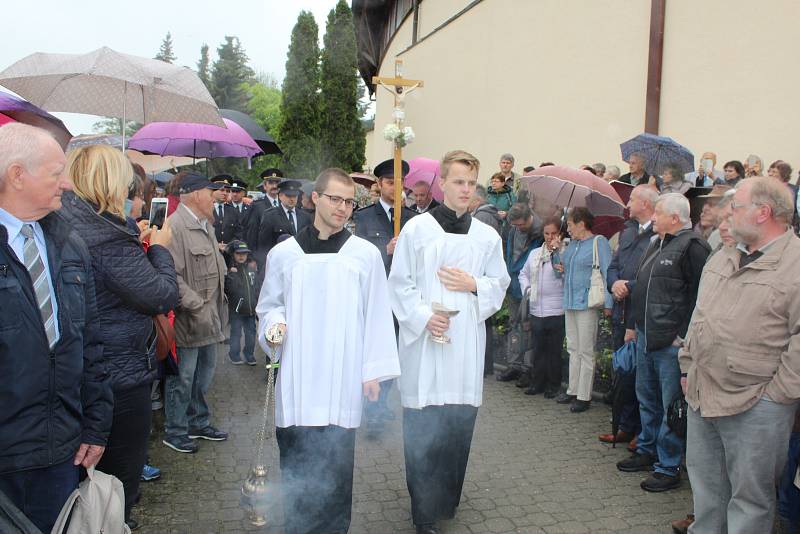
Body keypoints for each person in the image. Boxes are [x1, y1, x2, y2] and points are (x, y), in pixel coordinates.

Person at [256, 168, 401, 534]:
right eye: (335, 198)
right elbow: (269, 305)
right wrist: (273, 326)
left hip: (342, 381)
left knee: (336, 476)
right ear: (315, 199)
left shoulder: (363, 255)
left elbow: (378, 315)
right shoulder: (284, 254)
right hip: (297, 379)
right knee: (296, 469)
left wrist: (373, 373)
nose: (343, 207)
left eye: (350, 201)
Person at [388, 150, 509, 534]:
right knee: (424, 428)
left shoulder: (487, 236)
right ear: (442, 182)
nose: (465, 189)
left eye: (471, 183)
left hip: (465, 347)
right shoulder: (418, 230)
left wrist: (474, 284)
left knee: (457, 427)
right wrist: (424, 317)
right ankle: (423, 512)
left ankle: (446, 501)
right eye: (459, 181)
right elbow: (400, 283)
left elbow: (500, 283)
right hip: (425, 344)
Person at [0, 124, 113, 533]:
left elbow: (92, 344)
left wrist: (97, 425)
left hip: (62, 454)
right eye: (55, 173)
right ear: (17, 175)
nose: (67, 183)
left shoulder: (69, 244)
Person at [59, 144, 178, 530]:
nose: (134, 193)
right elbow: (160, 294)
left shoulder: (74, 223)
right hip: (119, 377)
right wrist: (159, 250)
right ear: (111, 183)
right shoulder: (106, 238)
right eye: (129, 185)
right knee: (118, 487)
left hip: (95, 371)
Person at [680, 178, 800, 532]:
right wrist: (688, 367)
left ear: (763, 213)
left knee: (750, 502)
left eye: (736, 207)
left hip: (756, 405)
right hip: (702, 395)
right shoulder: (723, 256)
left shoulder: (794, 265)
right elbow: (698, 316)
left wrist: (777, 397)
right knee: (706, 495)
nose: (726, 215)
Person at [617, 193, 710, 492]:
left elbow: (699, 294)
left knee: (670, 406)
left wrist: (681, 335)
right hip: (646, 335)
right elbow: (644, 286)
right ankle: (647, 449)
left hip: (670, 343)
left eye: (658, 212)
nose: (653, 217)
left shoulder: (692, 246)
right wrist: (633, 326)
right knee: (647, 398)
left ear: (675, 217)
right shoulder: (658, 242)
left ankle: (669, 466)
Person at [163, 173, 229, 454]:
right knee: (183, 378)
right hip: (190, 319)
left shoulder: (206, 225)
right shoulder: (175, 227)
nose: (215, 196)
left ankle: (198, 422)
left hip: (211, 317)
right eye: (209, 191)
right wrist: (196, 305)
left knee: (205, 376)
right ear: (192, 194)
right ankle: (175, 430)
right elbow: (172, 277)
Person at [353, 158, 417, 435]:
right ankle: (374, 410)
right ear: (379, 185)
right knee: (378, 351)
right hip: (376, 296)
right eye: (390, 182)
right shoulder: (363, 217)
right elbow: (357, 257)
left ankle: (384, 401)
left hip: (405, 297)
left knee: (399, 354)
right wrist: (385, 250)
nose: (395, 188)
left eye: (400, 182)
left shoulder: (415, 219)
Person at [599, 185, 658, 446]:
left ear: (645, 203)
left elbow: (650, 275)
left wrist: (627, 286)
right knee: (622, 372)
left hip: (639, 313)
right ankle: (622, 425)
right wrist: (614, 284)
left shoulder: (657, 237)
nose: (628, 204)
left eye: (632, 199)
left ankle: (638, 431)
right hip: (621, 312)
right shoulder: (628, 232)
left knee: (640, 378)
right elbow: (613, 265)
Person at [554, 207, 613, 413]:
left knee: (586, 350)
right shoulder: (572, 245)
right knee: (573, 348)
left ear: (581, 224)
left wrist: (609, 303)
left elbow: (607, 271)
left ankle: (584, 395)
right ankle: (572, 389)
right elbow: (561, 270)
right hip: (570, 301)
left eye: (570, 224)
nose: (567, 228)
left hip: (587, 302)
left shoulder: (599, 242)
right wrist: (556, 252)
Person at [518, 216, 566, 398]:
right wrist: (527, 288)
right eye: (547, 233)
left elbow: (564, 278)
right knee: (538, 349)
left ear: (560, 234)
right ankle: (537, 382)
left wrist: (557, 254)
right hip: (537, 308)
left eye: (554, 233)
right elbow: (523, 274)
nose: (550, 237)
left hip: (556, 309)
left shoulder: (564, 253)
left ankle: (553, 384)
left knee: (554, 350)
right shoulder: (535, 253)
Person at [496, 203, 543, 387]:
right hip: (513, 283)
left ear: (529, 217)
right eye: (515, 225)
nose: (518, 228)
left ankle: (527, 368)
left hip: (529, 286)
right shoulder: (513, 228)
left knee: (527, 327)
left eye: (521, 225)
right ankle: (514, 364)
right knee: (514, 325)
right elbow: (508, 252)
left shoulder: (539, 232)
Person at [469, 184, 503, 376]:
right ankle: (485, 363)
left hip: (480, 280)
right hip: (480, 280)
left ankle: (483, 363)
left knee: (483, 323)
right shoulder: (484, 214)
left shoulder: (483, 218)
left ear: (478, 200)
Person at [256, 179, 312, 279]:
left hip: (300, 266)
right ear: (280, 196)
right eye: (288, 196)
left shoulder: (305, 216)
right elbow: (264, 245)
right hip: (279, 267)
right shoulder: (270, 216)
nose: (292, 199)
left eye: (294, 196)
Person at [225, 240, 258, 366]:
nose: (241, 256)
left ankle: (249, 354)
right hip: (236, 311)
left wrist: (256, 304)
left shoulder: (251, 269)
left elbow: (256, 287)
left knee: (251, 335)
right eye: (238, 253)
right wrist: (231, 275)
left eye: (244, 254)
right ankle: (234, 354)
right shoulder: (230, 271)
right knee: (236, 334)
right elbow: (229, 289)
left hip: (250, 310)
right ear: (233, 254)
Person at [246, 168, 284, 259]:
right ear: (264, 186)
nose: (274, 186)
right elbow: (252, 234)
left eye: (277, 183)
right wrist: (252, 258)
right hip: (264, 255)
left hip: (282, 254)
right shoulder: (257, 206)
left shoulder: (284, 204)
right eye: (271, 183)